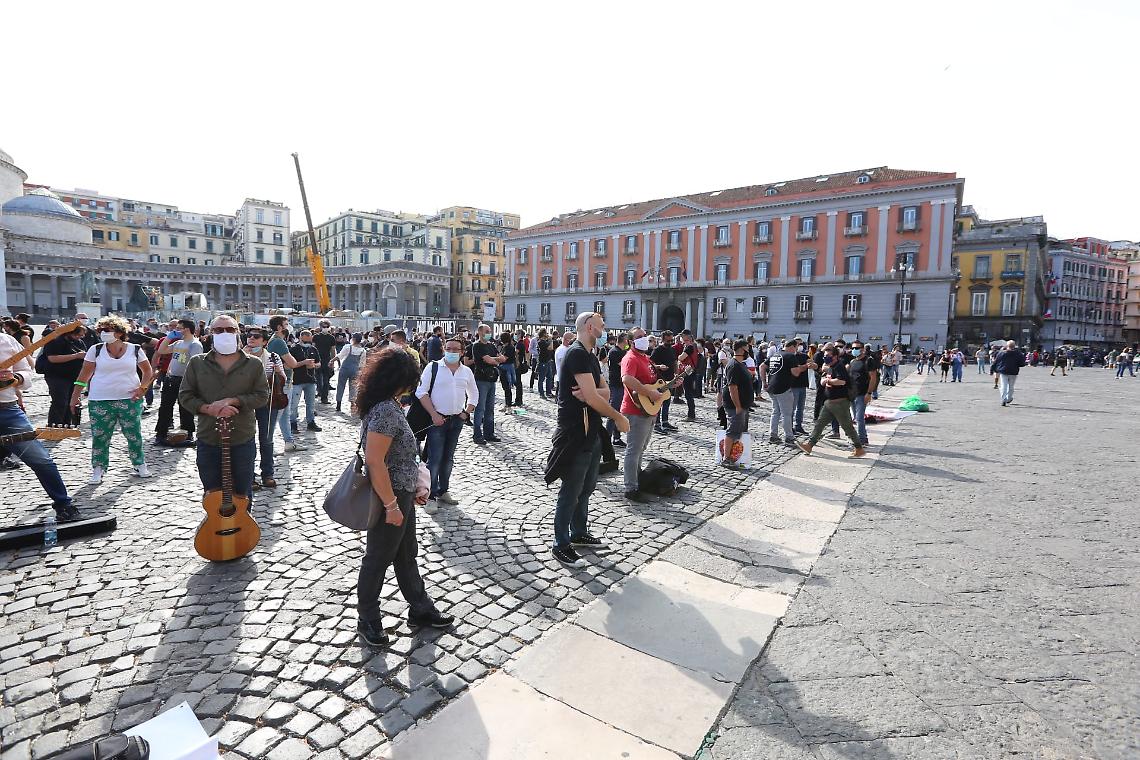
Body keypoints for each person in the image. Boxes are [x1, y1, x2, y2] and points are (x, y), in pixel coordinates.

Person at [354, 347, 455, 646]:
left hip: (402, 492)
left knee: (406, 553)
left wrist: (413, 490)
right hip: (391, 494)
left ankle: (420, 607)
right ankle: (367, 617)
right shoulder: (385, 410)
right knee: (378, 557)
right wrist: (391, 505)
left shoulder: (387, 404)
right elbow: (375, 461)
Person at [545, 312, 629, 567]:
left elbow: (602, 392)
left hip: (591, 429)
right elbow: (594, 397)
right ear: (590, 327)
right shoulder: (577, 354)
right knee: (571, 490)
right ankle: (561, 543)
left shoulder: (590, 355)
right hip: (575, 431)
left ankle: (578, 532)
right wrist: (618, 417)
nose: (605, 329)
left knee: (587, 486)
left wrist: (593, 393)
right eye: (602, 325)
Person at [179, 315, 270, 512]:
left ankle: (243, 527)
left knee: (242, 493)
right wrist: (209, 408)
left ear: (238, 332)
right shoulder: (197, 362)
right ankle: (216, 528)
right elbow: (185, 396)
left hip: (242, 437)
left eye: (229, 329)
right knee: (212, 493)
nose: (224, 333)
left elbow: (262, 396)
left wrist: (233, 401)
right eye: (219, 330)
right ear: (211, 333)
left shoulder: (253, 364)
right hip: (208, 437)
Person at [0, 328, 80, 520]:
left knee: (41, 459)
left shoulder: (6, 340)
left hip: (7, 409)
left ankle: (63, 504)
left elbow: (25, 371)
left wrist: (16, 379)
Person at [70, 315, 154, 484]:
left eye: (107, 330)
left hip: (129, 399)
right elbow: (84, 375)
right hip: (100, 399)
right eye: (101, 330)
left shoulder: (135, 349)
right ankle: (98, 468)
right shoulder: (95, 349)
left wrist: (142, 388)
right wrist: (75, 396)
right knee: (100, 436)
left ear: (119, 332)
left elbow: (148, 371)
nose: (103, 333)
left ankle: (139, 464)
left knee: (134, 434)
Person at [416, 337, 477, 511]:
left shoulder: (466, 371)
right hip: (437, 420)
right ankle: (430, 495)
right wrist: (433, 414)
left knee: (448, 459)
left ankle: (443, 490)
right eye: (448, 348)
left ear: (462, 352)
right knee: (434, 459)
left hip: (456, 420)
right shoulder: (433, 367)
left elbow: (474, 393)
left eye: (455, 349)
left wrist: (467, 412)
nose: (451, 352)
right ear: (444, 349)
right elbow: (421, 392)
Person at [620, 327, 665, 500]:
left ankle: (637, 479)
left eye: (645, 335)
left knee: (641, 448)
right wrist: (649, 393)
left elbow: (652, 383)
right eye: (640, 336)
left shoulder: (646, 358)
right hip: (636, 410)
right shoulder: (630, 358)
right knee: (634, 449)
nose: (644, 338)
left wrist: (669, 384)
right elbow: (627, 379)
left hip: (648, 409)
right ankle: (631, 488)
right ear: (631, 341)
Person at [798, 345, 866, 458]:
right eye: (825, 356)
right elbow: (825, 376)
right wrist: (823, 378)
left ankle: (859, 448)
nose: (825, 358)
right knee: (819, 424)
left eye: (828, 356)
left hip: (840, 402)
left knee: (847, 427)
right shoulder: (831, 366)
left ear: (835, 356)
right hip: (830, 402)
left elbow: (842, 381)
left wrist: (827, 381)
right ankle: (809, 445)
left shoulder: (839, 366)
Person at [244, 328, 286, 490]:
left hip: (268, 402)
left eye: (256, 337)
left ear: (264, 341)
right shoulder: (240, 356)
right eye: (249, 336)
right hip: (246, 402)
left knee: (266, 439)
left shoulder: (273, 357)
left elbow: (282, 378)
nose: (251, 339)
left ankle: (267, 474)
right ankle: (249, 476)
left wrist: (278, 372)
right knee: (247, 439)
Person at [154, 319, 202, 446]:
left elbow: (196, 364)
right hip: (171, 378)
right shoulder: (178, 343)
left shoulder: (194, 344)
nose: (176, 330)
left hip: (184, 380)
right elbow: (162, 350)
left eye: (179, 328)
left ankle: (188, 434)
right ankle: (161, 433)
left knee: (185, 408)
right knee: (165, 407)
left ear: (186, 329)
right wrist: (168, 338)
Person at [266, 316, 307, 452]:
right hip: (281, 383)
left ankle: (289, 442)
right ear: (279, 327)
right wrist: (301, 362)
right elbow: (292, 363)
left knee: (284, 415)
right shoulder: (278, 341)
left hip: (283, 381)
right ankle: (268, 446)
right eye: (286, 324)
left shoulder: (276, 340)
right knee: (276, 416)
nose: (288, 326)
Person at [39, 323, 89, 427]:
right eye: (78, 335)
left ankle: (67, 425)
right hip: (57, 376)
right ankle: (55, 425)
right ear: (70, 332)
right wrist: (76, 356)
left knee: (71, 401)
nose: (80, 337)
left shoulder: (79, 342)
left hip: (73, 376)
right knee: (60, 401)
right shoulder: (55, 341)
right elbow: (52, 358)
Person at [722, 340, 756, 467]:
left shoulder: (740, 364)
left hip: (743, 404)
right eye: (747, 348)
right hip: (735, 405)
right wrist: (737, 406)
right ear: (742, 349)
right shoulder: (734, 365)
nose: (749, 350)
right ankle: (726, 458)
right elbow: (732, 387)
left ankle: (735, 456)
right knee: (733, 429)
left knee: (739, 429)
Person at [469, 324, 505, 444]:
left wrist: (493, 359)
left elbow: (502, 358)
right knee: (480, 408)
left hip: (492, 379)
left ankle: (489, 434)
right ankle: (477, 435)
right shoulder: (477, 345)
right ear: (480, 332)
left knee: (490, 409)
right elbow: (489, 360)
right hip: (481, 380)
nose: (489, 333)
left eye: (490, 331)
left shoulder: (491, 345)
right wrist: (495, 360)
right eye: (487, 331)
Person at [289, 329, 322, 433]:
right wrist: (304, 362)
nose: (307, 343)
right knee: (294, 404)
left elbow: (319, 363)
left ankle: (311, 422)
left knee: (311, 403)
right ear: (300, 338)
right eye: (305, 341)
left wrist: (314, 365)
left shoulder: (313, 349)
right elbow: (290, 364)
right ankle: (293, 424)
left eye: (309, 341)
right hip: (297, 380)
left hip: (310, 380)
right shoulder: (294, 349)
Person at [847, 340, 878, 448]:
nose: (854, 350)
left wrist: (869, 393)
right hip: (852, 394)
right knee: (856, 417)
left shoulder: (868, 361)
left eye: (857, 348)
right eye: (853, 348)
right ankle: (863, 438)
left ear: (863, 349)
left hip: (862, 393)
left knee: (860, 417)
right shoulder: (852, 361)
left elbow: (873, 378)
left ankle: (861, 440)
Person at [651, 331, 679, 433]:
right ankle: (657, 424)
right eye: (668, 341)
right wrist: (659, 367)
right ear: (662, 340)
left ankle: (665, 422)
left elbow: (675, 362)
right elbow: (650, 364)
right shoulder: (657, 350)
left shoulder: (672, 349)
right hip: (659, 380)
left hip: (670, 379)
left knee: (667, 401)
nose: (670, 342)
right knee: (658, 402)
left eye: (672, 340)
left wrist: (676, 373)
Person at [606, 332, 630, 447]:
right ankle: (606, 438)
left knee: (620, 413)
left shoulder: (623, 351)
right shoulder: (614, 352)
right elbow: (625, 365)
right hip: (616, 385)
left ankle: (616, 438)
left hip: (622, 385)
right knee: (613, 412)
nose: (628, 342)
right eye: (627, 340)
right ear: (624, 340)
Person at [335, 333, 366, 412]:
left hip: (344, 369)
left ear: (353, 339)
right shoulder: (363, 351)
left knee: (340, 385)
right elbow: (362, 364)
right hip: (355, 370)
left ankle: (338, 403)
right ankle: (352, 403)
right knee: (353, 387)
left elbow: (340, 356)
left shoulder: (348, 347)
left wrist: (332, 361)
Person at [991, 340, 1025, 406]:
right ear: (1014, 346)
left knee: (1003, 385)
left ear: (1007, 346)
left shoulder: (1001, 353)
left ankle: (1003, 399)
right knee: (1011, 386)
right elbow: (1022, 363)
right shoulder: (1018, 353)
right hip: (1013, 372)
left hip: (1003, 371)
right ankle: (1009, 398)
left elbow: (995, 362)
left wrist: (992, 370)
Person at [312, 321, 338, 404]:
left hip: (327, 359)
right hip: (317, 359)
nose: (325, 328)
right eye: (324, 326)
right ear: (320, 327)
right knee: (318, 379)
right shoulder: (316, 336)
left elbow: (333, 350)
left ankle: (324, 397)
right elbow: (313, 348)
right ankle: (320, 392)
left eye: (327, 326)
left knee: (326, 380)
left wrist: (332, 361)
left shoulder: (331, 338)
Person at [498, 332, 519, 411]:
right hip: (504, 368)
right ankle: (507, 404)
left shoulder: (509, 347)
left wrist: (495, 359)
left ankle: (508, 406)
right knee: (505, 387)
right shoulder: (505, 346)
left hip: (507, 369)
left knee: (507, 387)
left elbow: (504, 358)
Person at [553, 331, 574, 398]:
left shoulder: (567, 348)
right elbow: (564, 363)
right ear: (566, 340)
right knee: (561, 397)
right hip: (562, 378)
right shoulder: (561, 349)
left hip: (566, 378)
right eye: (571, 339)